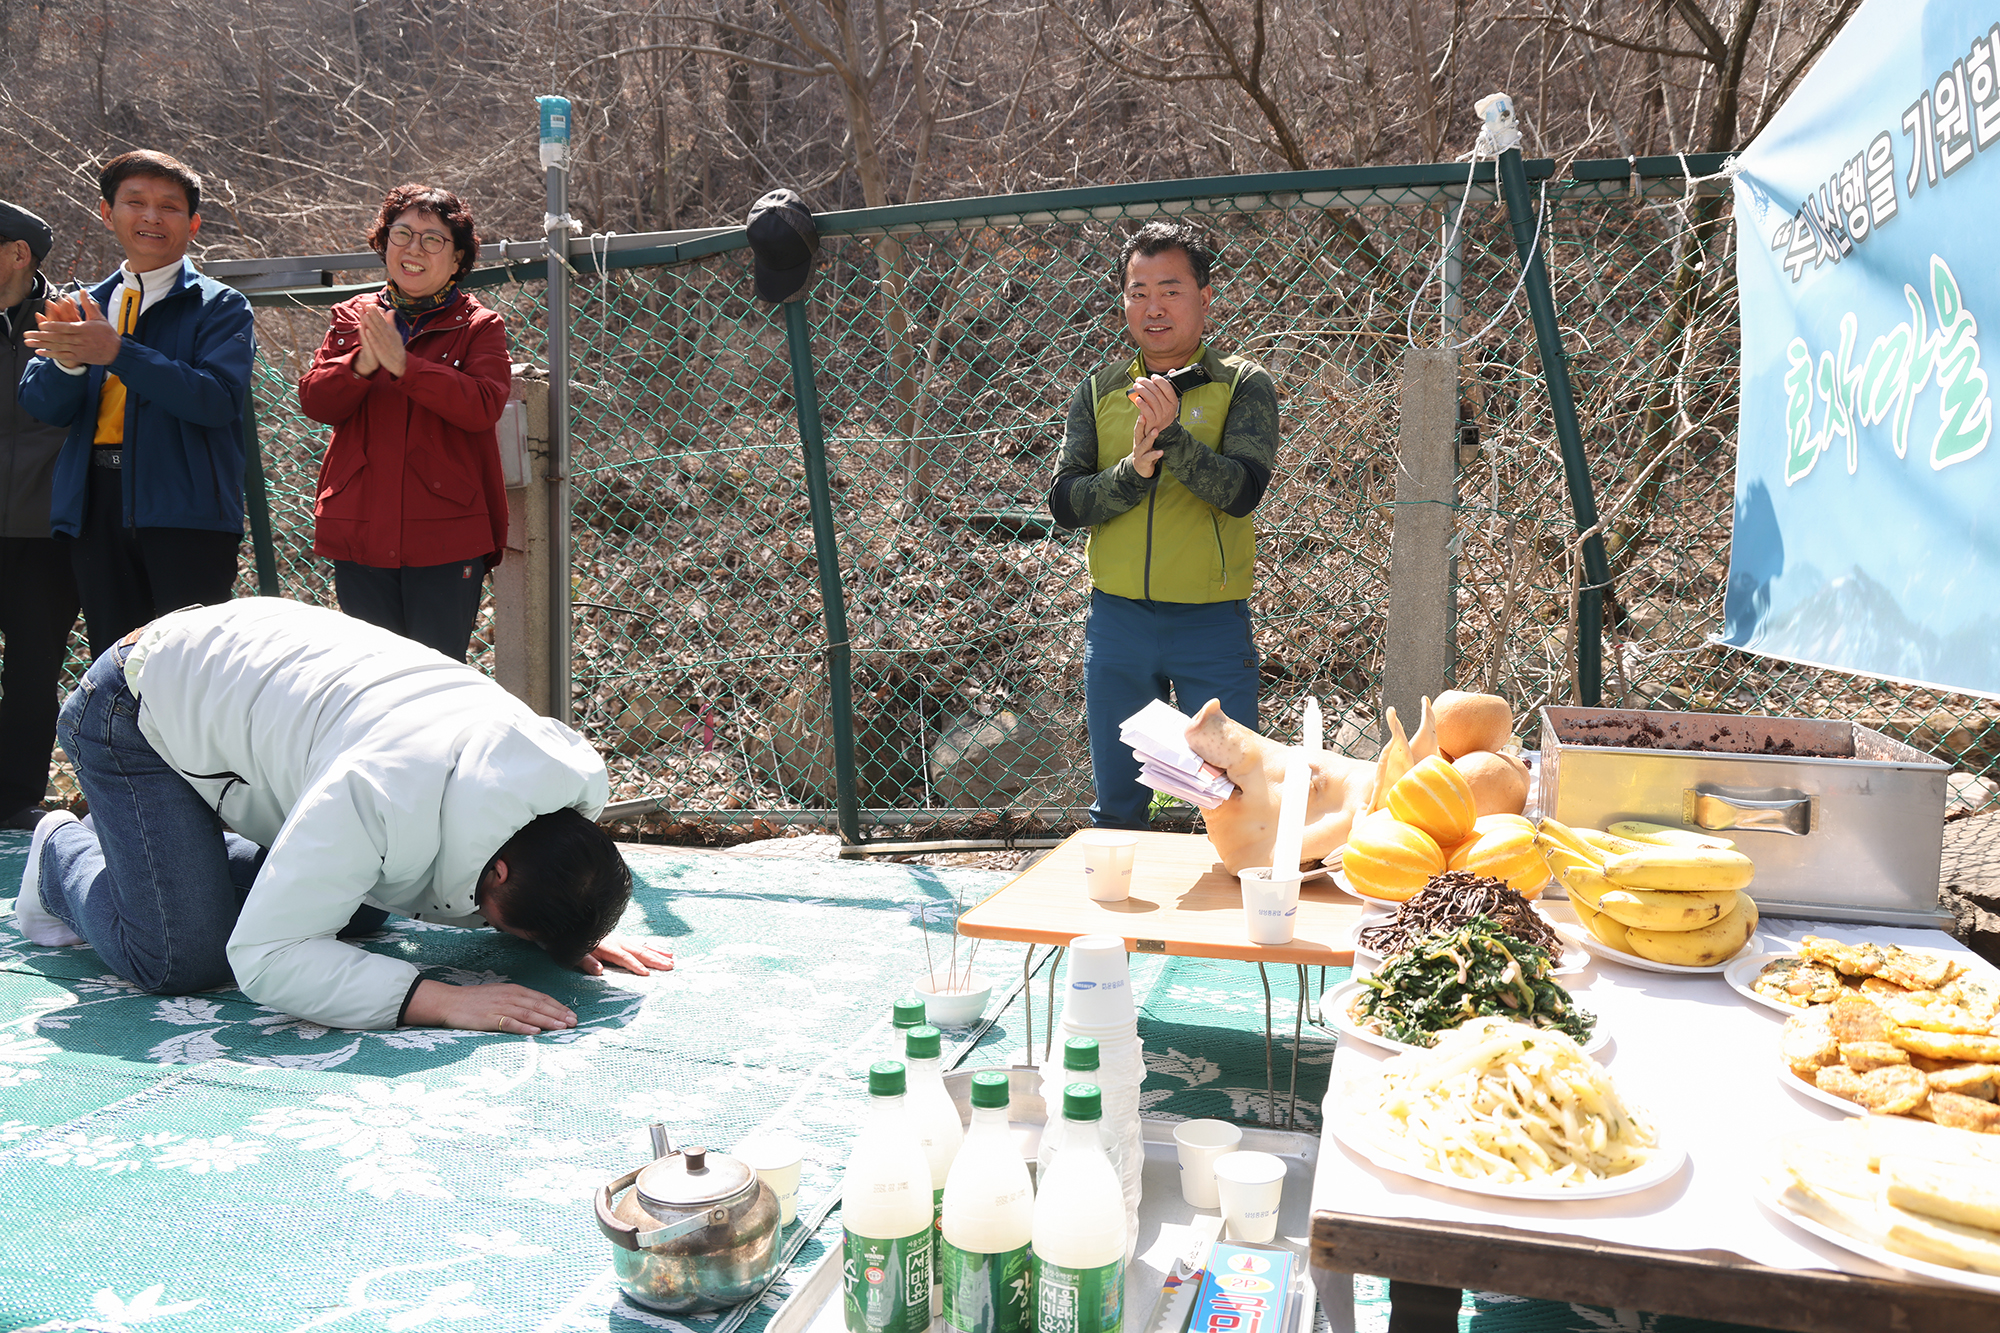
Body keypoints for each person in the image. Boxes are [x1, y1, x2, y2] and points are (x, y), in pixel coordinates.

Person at [12, 597, 672, 1033]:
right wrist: (439, 1001)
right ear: (497, 870)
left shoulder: (527, 778)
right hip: (133, 706)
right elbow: (266, 957)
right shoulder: (380, 794)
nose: (512, 939)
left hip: (222, 682)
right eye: (517, 931)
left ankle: (154, 859)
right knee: (178, 954)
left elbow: (535, 864)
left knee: (358, 909)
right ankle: (62, 855)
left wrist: (566, 919)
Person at [1047, 221, 1281, 830]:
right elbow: (1066, 503)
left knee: (1233, 802)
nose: (1153, 307)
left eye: (1170, 289)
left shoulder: (1242, 384)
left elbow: (1242, 493)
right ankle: (1124, 924)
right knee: (1119, 807)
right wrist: (1130, 473)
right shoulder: (1100, 389)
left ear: (1204, 297)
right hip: (1118, 621)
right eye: (1138, 290)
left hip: (1210, 623)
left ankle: (1237, 921)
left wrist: (1173, 438)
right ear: (1123, 299)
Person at [18, 150, 253, 657]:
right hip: (95, 501)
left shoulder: (221, 305)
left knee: (189, 667)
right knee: (115, 659)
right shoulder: (80, 303)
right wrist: (68, 364)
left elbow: (215, 400)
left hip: (185, 506)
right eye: (135, 202)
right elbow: (41, 404)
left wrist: (117, 352)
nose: (151, 216)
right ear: (107, 213)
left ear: (192, 224)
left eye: (169, 206)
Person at [297, 184, 509, 662]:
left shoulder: (479, 326)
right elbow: (316, 399)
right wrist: (360, 364)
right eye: (402, 234)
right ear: (384, 244)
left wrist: (406, 366)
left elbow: (483, 404)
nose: (414, 249)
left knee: (435, 678)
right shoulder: (355, 317)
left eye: (433, 239)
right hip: (360, 529)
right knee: (372, 681)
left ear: (457, 260)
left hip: (445, 535)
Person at [0, 202, 80, 831]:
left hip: (47, 526)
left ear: (18, 254)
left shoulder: (72, 316)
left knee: (34, 667)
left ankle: (18, 796)